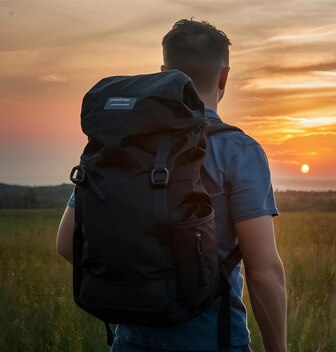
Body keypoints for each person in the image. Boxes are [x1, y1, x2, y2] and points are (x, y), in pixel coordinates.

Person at [56, 19, 287, 352]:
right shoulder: (239, 151)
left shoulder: (123, 144)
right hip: (214, 340)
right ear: (224, 77)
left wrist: (143, 283)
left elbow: (67, 243)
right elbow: (263, 270)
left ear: (165, 72)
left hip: (130, 340)